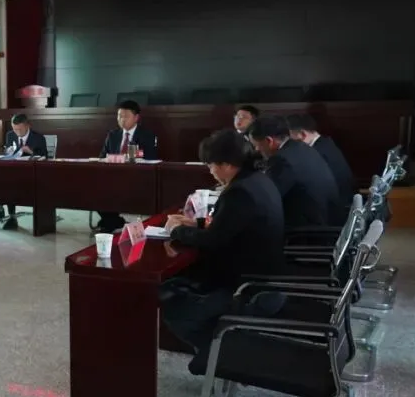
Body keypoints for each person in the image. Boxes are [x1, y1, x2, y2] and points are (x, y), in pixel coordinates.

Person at [161, 129, 286, 374]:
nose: (210, 171)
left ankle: (222, 352)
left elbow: (213, 240)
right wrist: (194, 223)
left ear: (227, 165)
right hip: (265, 277)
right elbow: (231, 226)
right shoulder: (257, 179)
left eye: (211, 165)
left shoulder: (239, 192)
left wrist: (176, 231)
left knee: (173, 306)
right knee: (180, 283)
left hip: (246, 287)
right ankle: (220, 346)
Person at [246, 116, 342, 227]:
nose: (257, 150)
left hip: (307, 230)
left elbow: (265, 199)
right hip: (328, 221)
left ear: (269, 141)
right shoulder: (301, 147)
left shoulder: (282, 160)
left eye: (256, 145)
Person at [95, 101, 159, 233]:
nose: (122, 120)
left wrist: (134, 155)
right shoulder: (112, 135)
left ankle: (110, 222)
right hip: (112, 177)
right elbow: (102, 157)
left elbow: (151, 158)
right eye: (119, 116)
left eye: (126, 116)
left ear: (136, 118)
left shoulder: (147, 135)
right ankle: (113, 221)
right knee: (94, 188)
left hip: (136, 178)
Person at [0, 114, 48, 230]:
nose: (17, 132)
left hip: (32, 173)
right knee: (0, 179)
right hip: (14, 170)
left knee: (9, 183)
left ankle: (4, 212)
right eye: (15, 129)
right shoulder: (10, 135)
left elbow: (45, 157)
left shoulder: (38, 138)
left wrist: (31, 151)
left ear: (27, 126)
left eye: (20, 129)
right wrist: (8, 152)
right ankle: (3, 211)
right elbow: (9, 153)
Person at [286, 113, 355, 216]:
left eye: (289, 139)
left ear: (303, 134)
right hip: (342, 206)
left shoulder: (315, 153)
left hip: (335, 212)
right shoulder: (326, 143)